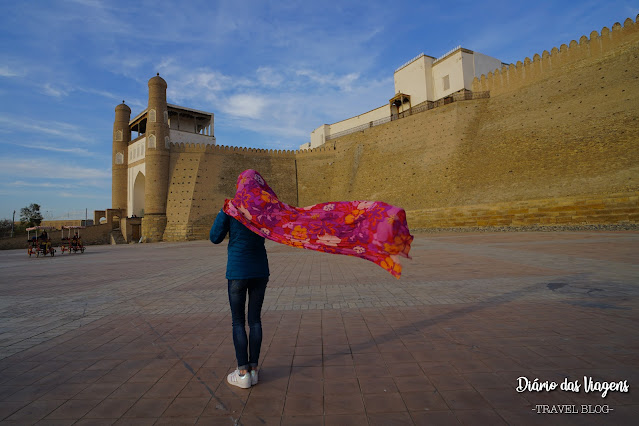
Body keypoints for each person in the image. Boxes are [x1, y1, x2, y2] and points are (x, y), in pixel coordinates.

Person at [210, 207, 269, 389]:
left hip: (238, 270)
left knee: (238, 322)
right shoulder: (263, 208)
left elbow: (215, 237)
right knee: (255, 321)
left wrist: (222, 212)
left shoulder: (231, 209)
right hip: (260, 270)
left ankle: (242, 373)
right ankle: (253, 370)